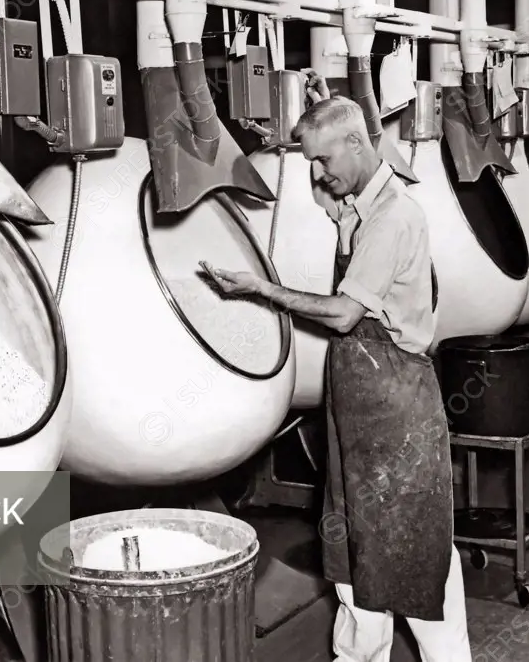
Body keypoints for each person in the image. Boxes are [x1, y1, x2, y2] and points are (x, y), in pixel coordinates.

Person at [201, 74, 472, 662]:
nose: (318, 174)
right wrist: (321, 116)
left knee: (419, 557)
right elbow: (341, 182)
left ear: (355, 144)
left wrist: (261, 290)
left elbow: (347, 314)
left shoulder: (394, 218)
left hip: (398, 417)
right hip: (355, 419)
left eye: (323, 159)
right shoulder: (356, 208)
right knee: (351, 558)